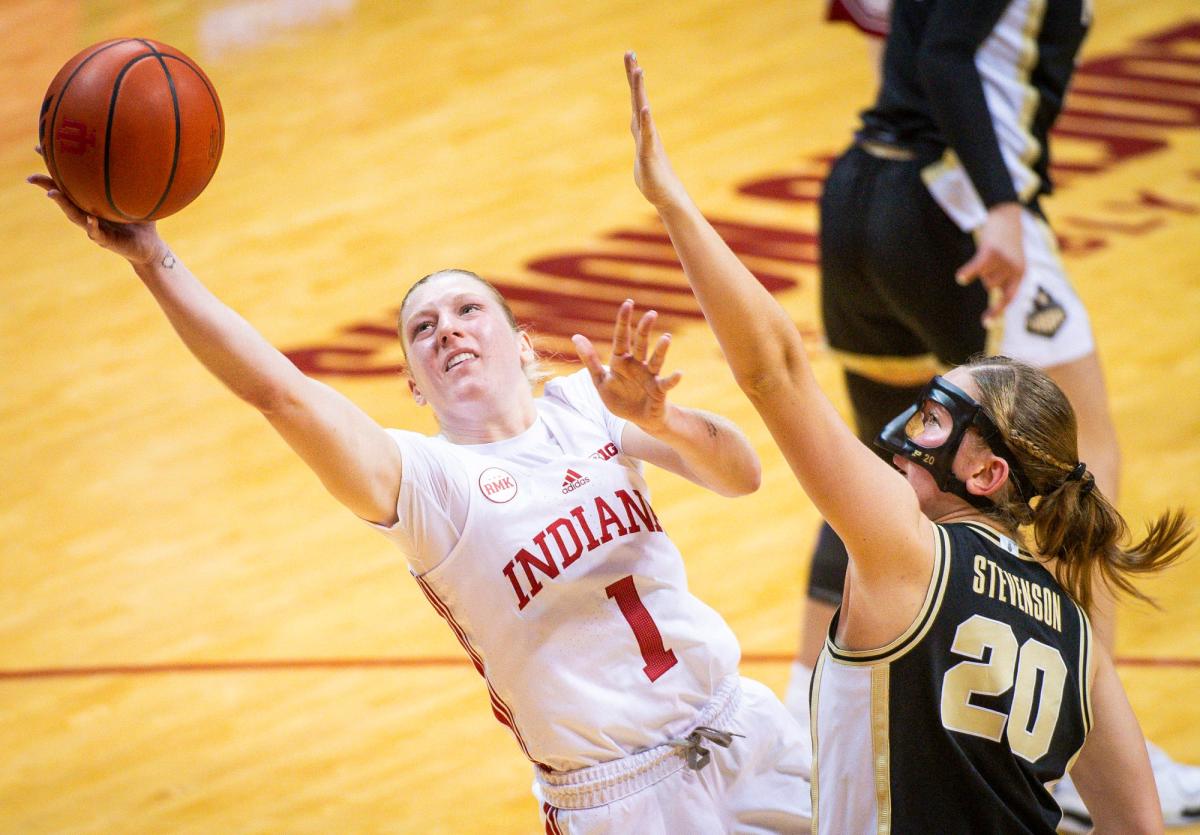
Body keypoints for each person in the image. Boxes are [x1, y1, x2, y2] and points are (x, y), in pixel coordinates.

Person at [27, 175, 812, 831]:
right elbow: (279, 393)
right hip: (625, 798)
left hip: (743, 725)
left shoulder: (590, 405)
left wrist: (660, 418)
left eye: (469, 310)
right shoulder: (426, 482)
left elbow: (741, 475)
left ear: (525, 345)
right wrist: (154, 258)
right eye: (423, 328)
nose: (447, 330)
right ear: (411, 382)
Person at [625, 49, 1193, 832]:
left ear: (987, 470)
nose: (904, 435)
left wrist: (674, 205)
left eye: (934, 420)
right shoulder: (1074, 631)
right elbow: (1140, 827)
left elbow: (776, 372)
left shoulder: (906, 547)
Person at [786, 1, 1200, 828]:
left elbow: (890, 34)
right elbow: (946, 57)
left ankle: (802, 724)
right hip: (962, 203)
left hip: (864, 192)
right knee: (1085, 450)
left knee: (883, 470)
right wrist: (1003, 204)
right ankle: (1086, 744)